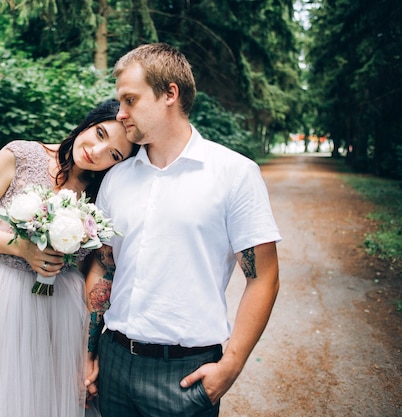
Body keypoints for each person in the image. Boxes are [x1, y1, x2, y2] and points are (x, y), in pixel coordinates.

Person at [84, 43, 281, 417]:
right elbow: (104, 267)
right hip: (113, 361)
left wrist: (231, 365)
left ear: (169, 93)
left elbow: (264, 277)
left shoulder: (234, 174)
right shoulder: (116, 179)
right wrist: (89, 352)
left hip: (185, 374)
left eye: (130, 99)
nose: (120, 113)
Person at [0, 99, 138, 417]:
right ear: (89, 123)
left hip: (61, 309)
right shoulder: (21, 155)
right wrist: (21, 247)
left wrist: (89, 348)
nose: (97, 151)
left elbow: (95, 269)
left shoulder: (102, 194)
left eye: (114, 155)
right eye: (100, 133)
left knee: (45, 400)